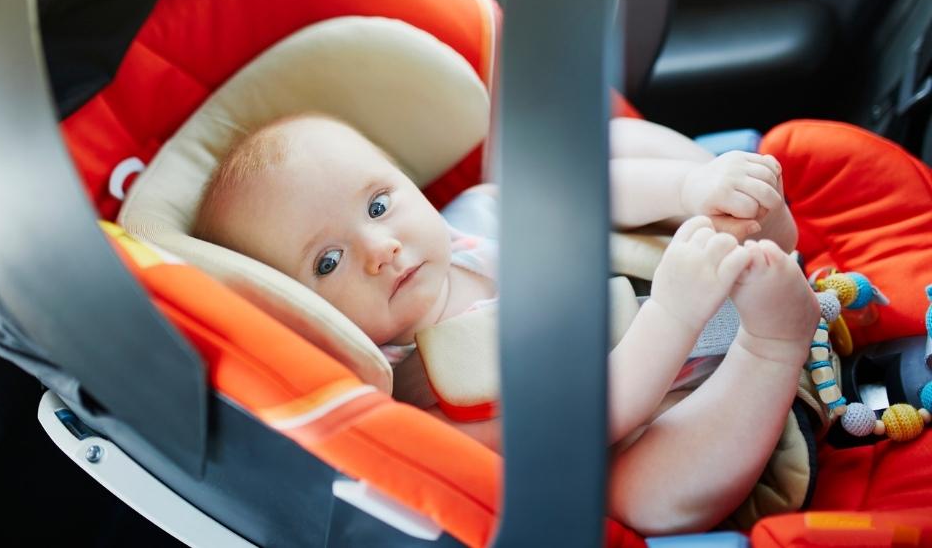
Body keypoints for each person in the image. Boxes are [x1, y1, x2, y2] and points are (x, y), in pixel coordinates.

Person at [192, 113, 820, 535]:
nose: (378, 247)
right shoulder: (420, 394)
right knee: (636, 498)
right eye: (327, 262)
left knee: (575, 157)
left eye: (379, 204)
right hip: (696, 401)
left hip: (688, 261)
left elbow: (579, 193)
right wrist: (674, 313)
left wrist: (688, 189)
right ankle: (775, 342)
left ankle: (750, 216)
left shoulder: (473, 220)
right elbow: (575, 429)